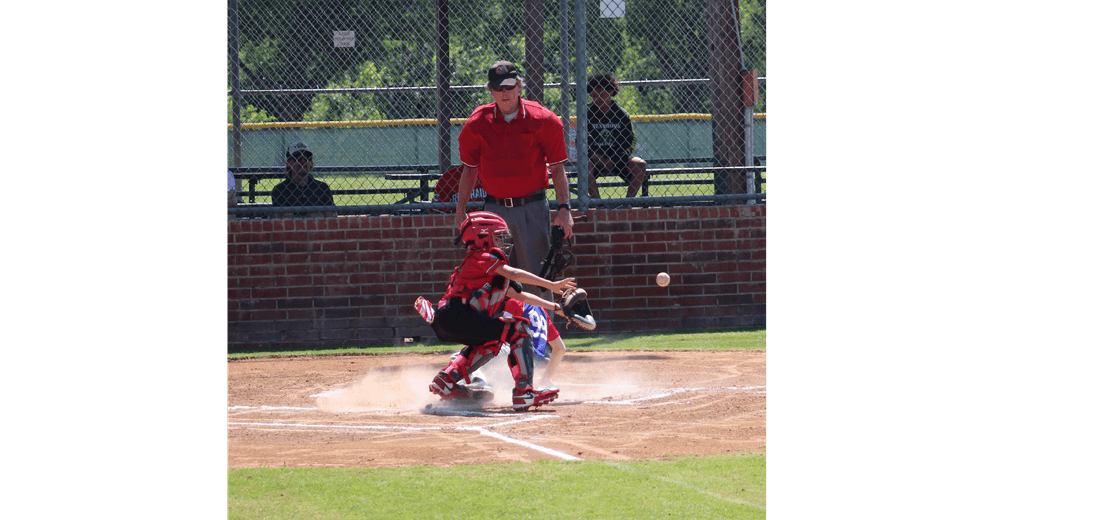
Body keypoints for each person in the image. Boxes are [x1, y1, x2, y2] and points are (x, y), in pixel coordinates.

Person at [427, 211, 577, 411]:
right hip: (456, 316)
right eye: (497, 236)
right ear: (482, 237)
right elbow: (514, 273)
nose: (502, 241)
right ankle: (524, 392)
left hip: (450, 320)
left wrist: (556, 307)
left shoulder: (486, 268)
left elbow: (521, 296)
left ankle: (447, 380)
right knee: (519, 328)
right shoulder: (483, 256)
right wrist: (551, 285)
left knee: (492, 341)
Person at [455, 60, 575, 297]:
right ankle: (505, 333)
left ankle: (540, 333)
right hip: (493, 211)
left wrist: (564, 208)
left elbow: (558, 168)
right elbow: (469, 170)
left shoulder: (543, 119)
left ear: (519, 86)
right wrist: (460, 212)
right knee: (495, 278)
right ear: (491, 90)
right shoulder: (477, 123)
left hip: (532, 207)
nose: (505, 93)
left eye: (510, 86)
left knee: (537, 279)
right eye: (498, 88)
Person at [585, 72, 648, 199]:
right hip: (595, 158)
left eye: (601, 94)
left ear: (610, 92)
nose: (597, 99)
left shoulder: (621, 114)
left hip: (618, 158)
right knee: (584, 166)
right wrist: (594, 155)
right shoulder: (587, 113)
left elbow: (630, 140)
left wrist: (614, 158)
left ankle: (628, 203)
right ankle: (599, 204)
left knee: (640, 165)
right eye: (593, 96)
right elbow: (580, 140)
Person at [271, 142, 336, 218]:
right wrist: (316, 216)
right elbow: (285, 220)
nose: (303, 161)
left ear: (311, 162)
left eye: (307, 157)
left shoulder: (322, 188)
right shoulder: (279, 190)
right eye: (297, 157)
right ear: (288, 162)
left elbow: (331, 216)